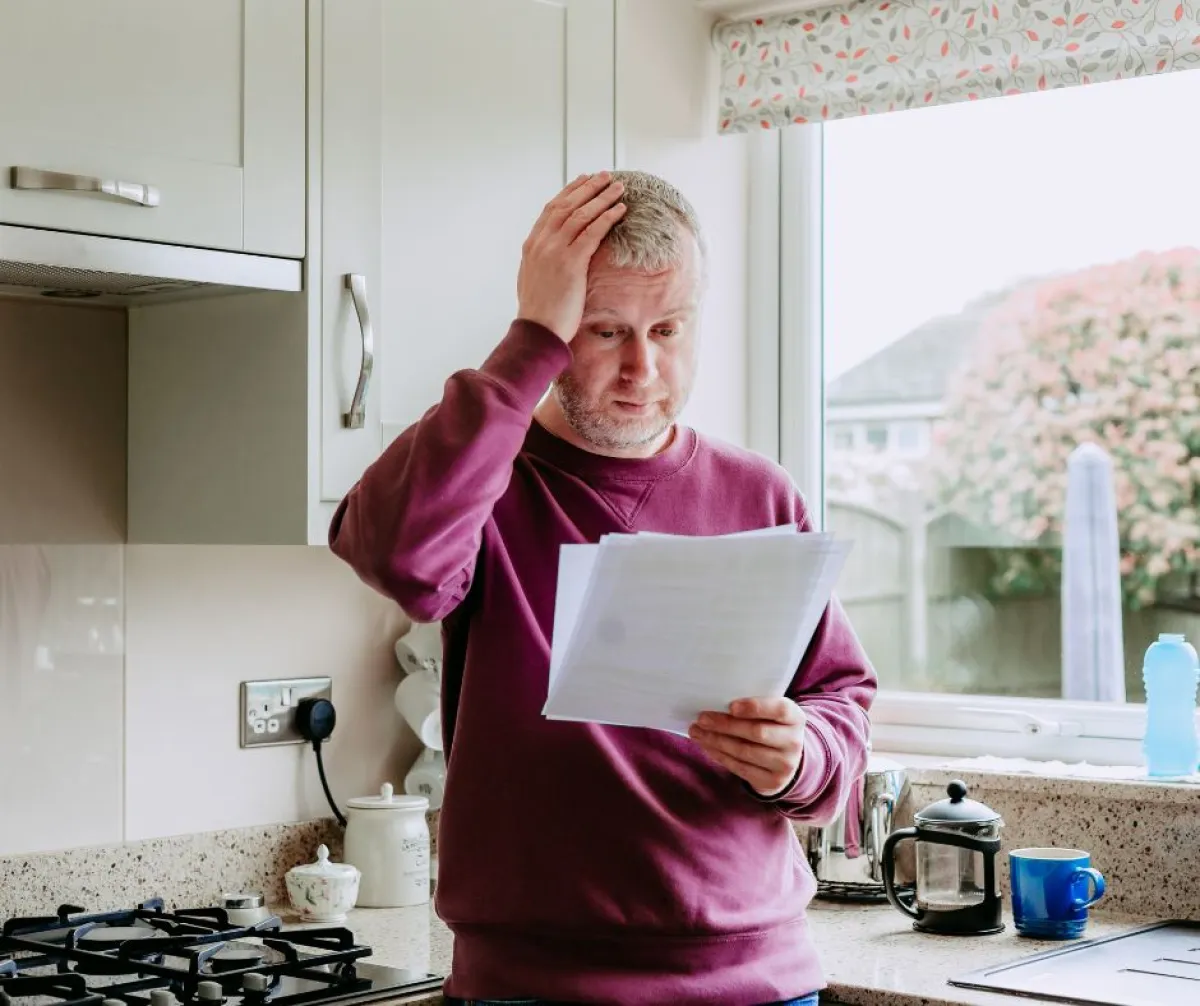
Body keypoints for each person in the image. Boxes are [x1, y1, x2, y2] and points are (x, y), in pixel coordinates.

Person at [329, 169, 877, 1005]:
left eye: (669, 328)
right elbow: (397, 556)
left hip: (758, 982)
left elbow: (840, 700)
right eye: (604, 330)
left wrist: (801, 756)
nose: (642, 369)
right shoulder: (489, 480)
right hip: (532, 987)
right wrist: (527, 340)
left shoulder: (762, 495)